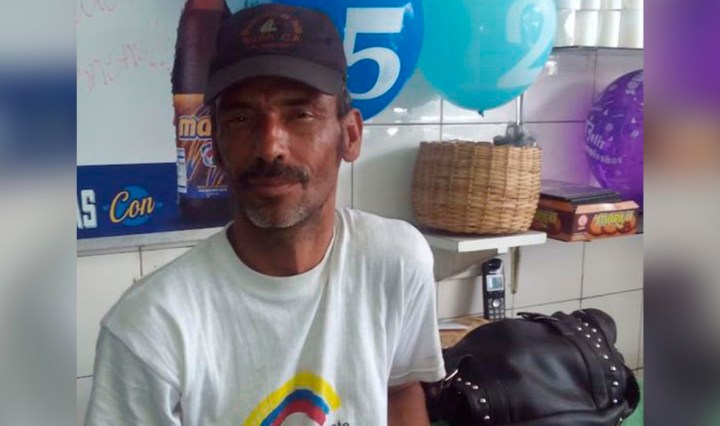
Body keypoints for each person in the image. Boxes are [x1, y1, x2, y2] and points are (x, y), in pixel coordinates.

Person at [85, 3, 445, 425]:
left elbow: (400, 391)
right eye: (241, 118)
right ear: (215, 146)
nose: (270, 146)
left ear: (349, 135)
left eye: (300, 114)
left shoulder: (396, 260)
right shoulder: (148, 327)